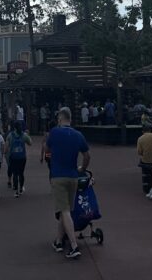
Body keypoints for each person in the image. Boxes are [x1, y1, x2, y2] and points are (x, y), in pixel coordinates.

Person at [45, 107, 90, 260]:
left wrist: (52, 159)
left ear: (60, 118)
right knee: (66, 210)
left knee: (63, 210)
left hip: (58, 176)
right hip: (73, 176)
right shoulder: (78, 135)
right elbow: (87, 155)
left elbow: (47, 149)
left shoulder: (54, 132)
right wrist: (83, 168)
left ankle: (73, 245)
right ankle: (58, 241)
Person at [6, 121, 31, 196]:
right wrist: (28, 135)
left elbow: (6, 147)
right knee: (21, 173)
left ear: (14, 127)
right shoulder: (24, 135)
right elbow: (30, 143)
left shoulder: (10, 135)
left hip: (13, 157)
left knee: (15, 173)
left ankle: (16, 191)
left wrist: (5, 153)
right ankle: (21, 188)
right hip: (22, 157)